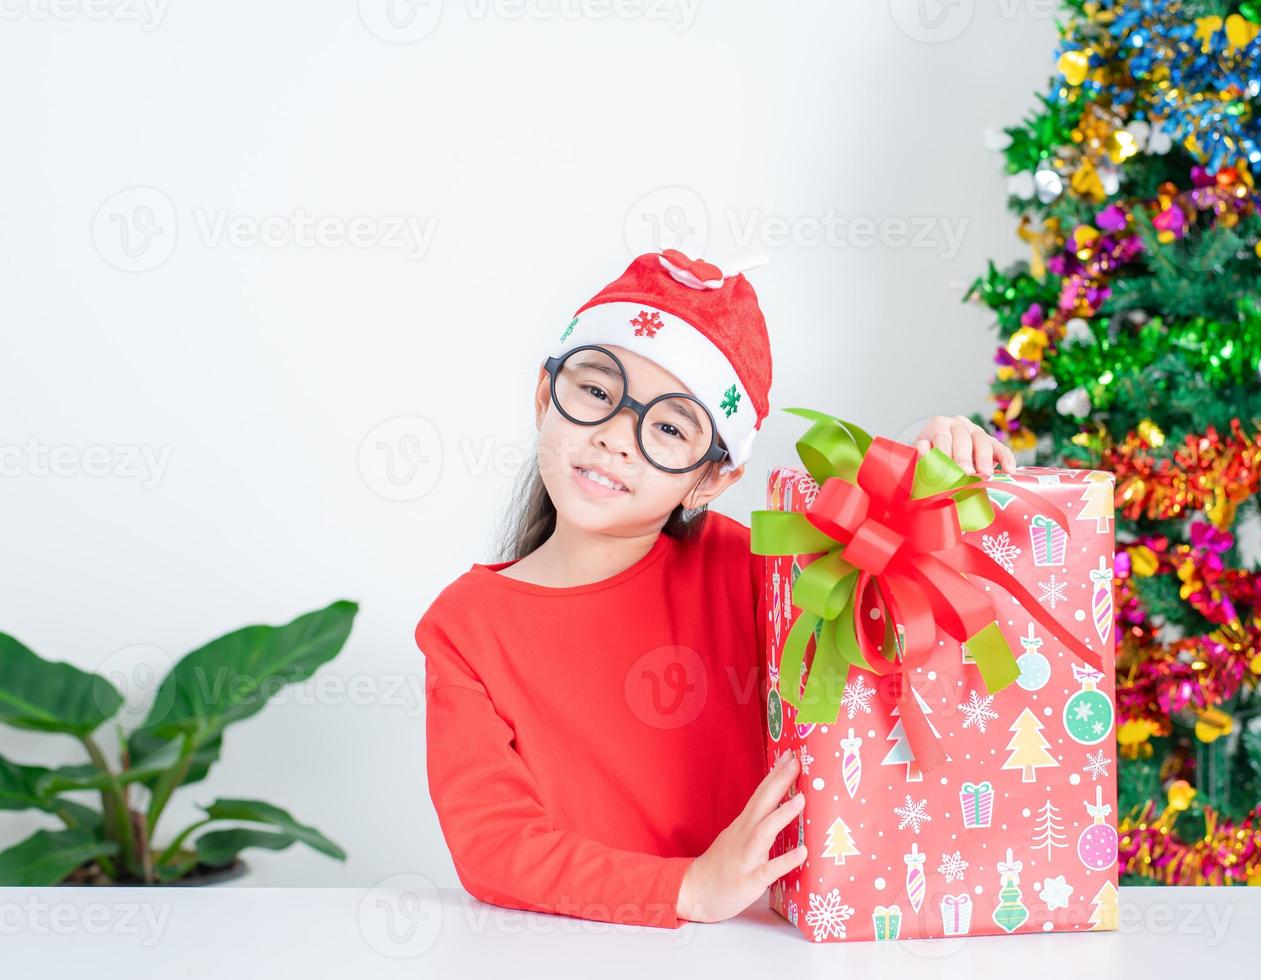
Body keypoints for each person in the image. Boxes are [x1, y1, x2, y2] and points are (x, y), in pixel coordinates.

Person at [414, 248, 1017, 929]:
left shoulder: (745, 569)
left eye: (668, 428)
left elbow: (875, 583)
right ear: (541, 397)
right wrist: (687, 889)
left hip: (764, 941)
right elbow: (494, 847)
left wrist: (921, 458)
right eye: (595, 392)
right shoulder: (464, 626)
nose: (616, 437)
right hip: (571, 949)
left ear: (710, 480)